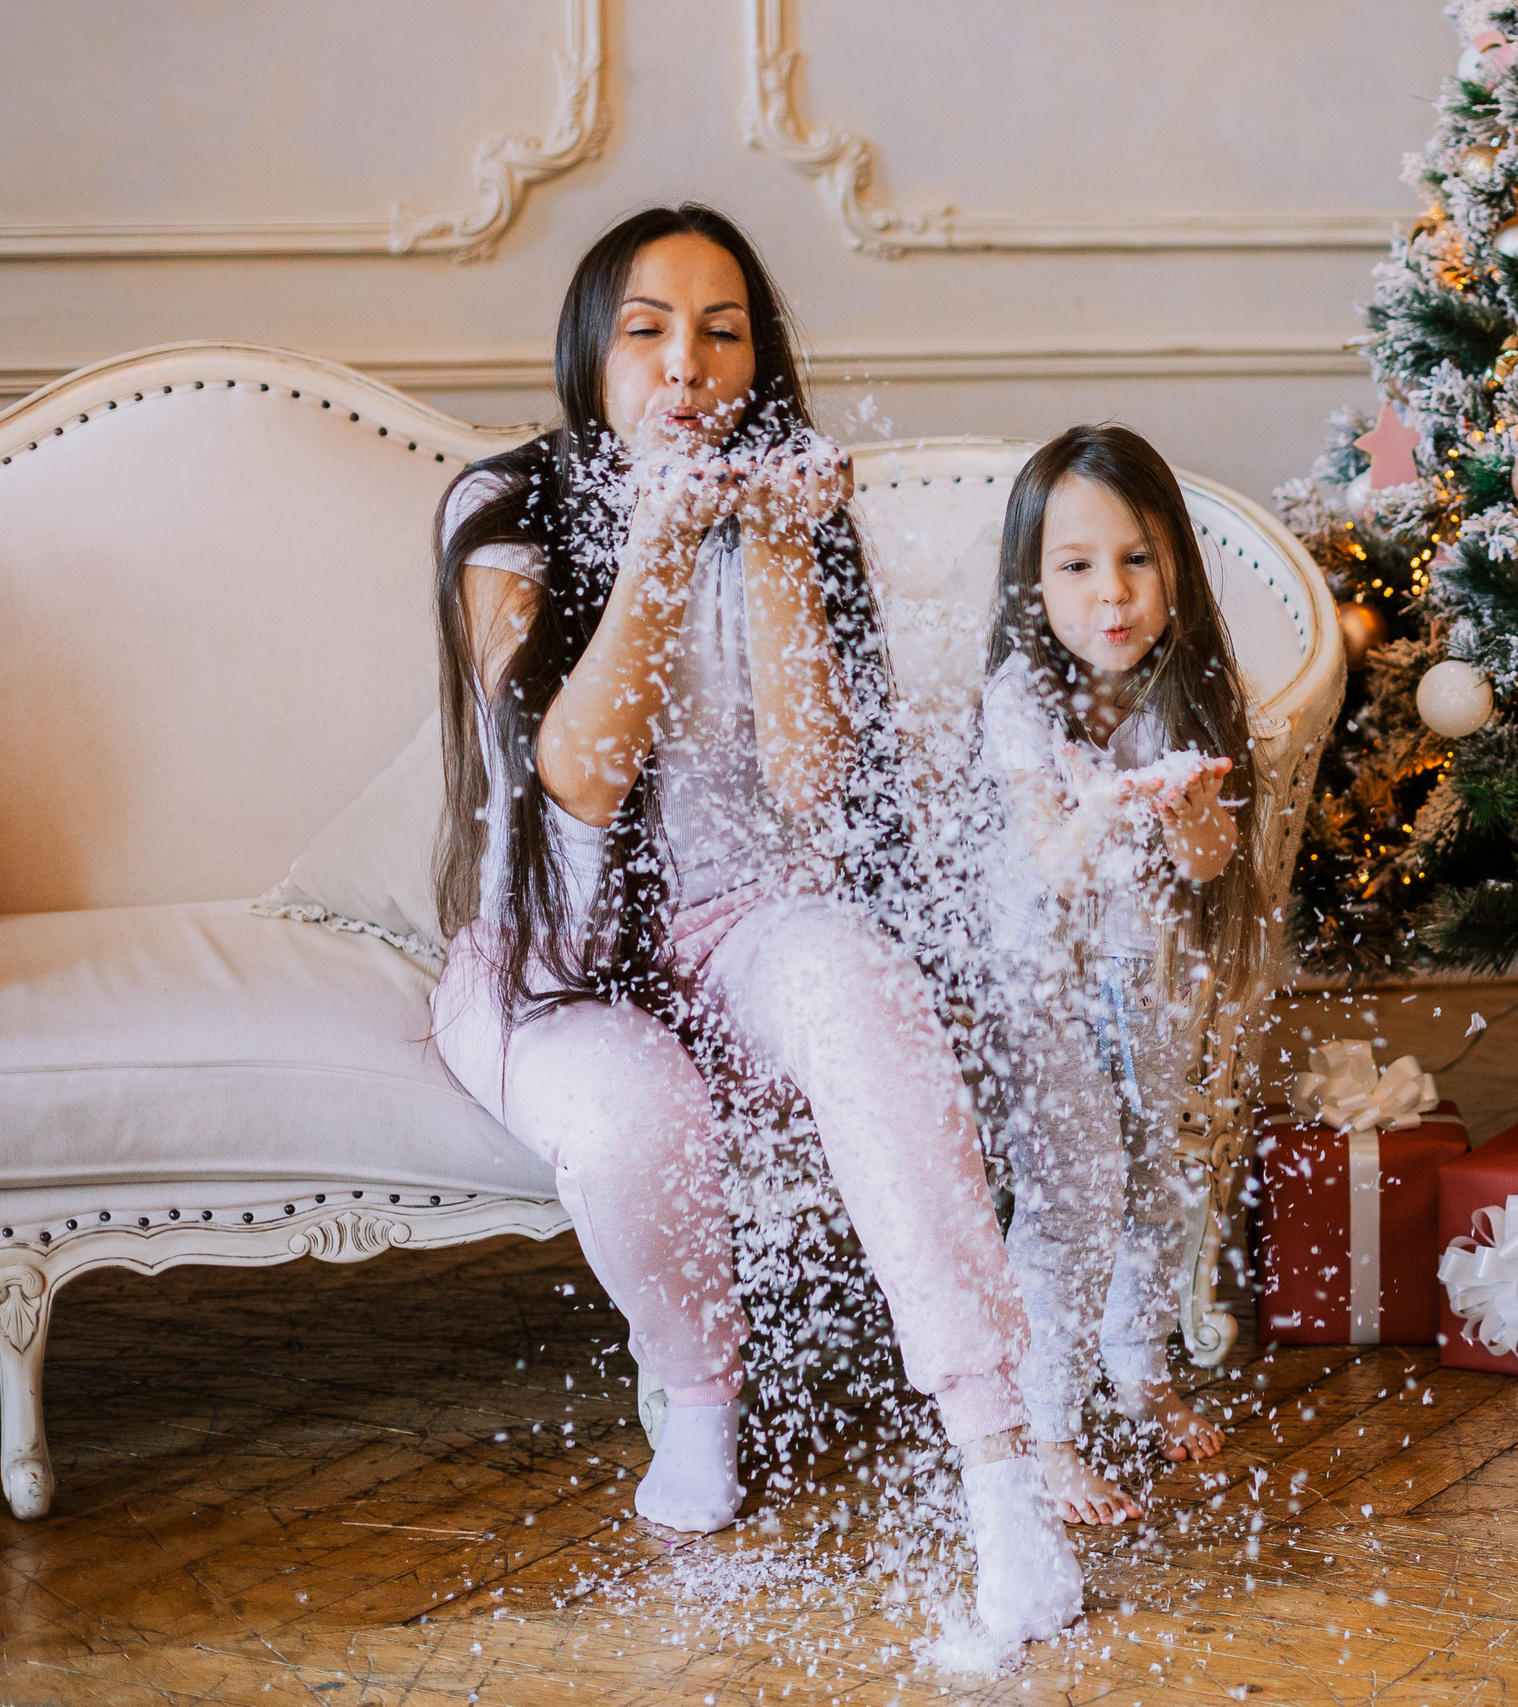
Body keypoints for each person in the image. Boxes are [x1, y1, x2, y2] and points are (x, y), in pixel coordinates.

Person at [425, 203, 1079, 1643]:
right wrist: (663, 543)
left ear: (761, 362)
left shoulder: (789, 501)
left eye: (723, 334)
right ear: (590, 353)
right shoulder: (502, 510)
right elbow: (578, 779)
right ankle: (700, 1390)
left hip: (745, 929)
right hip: (554, 958)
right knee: (635, 1109)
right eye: (648, 330)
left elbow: (813, 788)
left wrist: (776, 552)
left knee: (862, 981)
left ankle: (997, 1464)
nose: (688, 365)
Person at [974, 425, 1266, 1524]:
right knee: (1074, 1193)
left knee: (1154, 1181)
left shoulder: (1183, 691)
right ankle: (1045, 1430)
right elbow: (1049, 864)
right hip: (1038, 988)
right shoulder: (1022, 698)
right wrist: (1100, 805)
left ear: (1175, 563)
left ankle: (1138, 1371)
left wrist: (1190, 819)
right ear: (1033, 581)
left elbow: (1211, 861)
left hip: (1147, 977)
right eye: (1078, 564)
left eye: (1138, 559)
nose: (1113, 592)